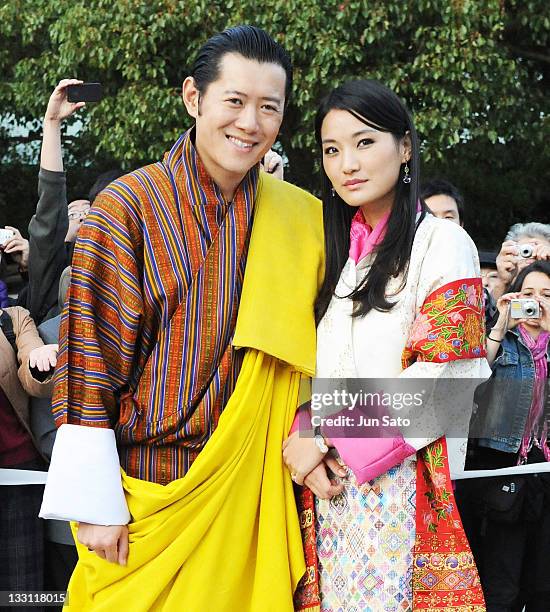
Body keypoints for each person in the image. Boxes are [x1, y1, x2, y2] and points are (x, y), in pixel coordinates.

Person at [40, 25, 324, 611]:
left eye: (269, 108)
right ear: (194, 98)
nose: (251, 124)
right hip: (147, 492)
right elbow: (89, 360)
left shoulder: (298, 219)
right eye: (235, 101)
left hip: (254, 489)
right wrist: (94, 503)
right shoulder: (127, 207)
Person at [282, 80, 490, 610]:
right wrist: (307, 444)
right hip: (329, 490)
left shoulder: (442, 243)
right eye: (332, 150)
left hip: (402, 484)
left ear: (405, 147)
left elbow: (447, 374)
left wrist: (324, 433)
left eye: (364, 142)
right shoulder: (332, 253)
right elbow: (314, 372)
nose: (347, 163)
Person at [463, 260, 550, 610]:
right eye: (528, 293)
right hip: (501, 470)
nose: (536, 302)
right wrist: (500, 324)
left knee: (543, 583)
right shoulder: (501, 337)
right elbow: (472, 379)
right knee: (503, 583)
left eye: (547, 294)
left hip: (543, 470)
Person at [0, 305, 57, 600]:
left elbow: (31, 371)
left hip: (17, 478)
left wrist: (40, 361)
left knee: (21, 592)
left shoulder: (12, 319)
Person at [494, 222, 550, 299]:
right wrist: (503, 282)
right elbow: (491, 309)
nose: (531, 256)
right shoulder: (504, 286)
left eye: (543, 255)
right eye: (525, 251)